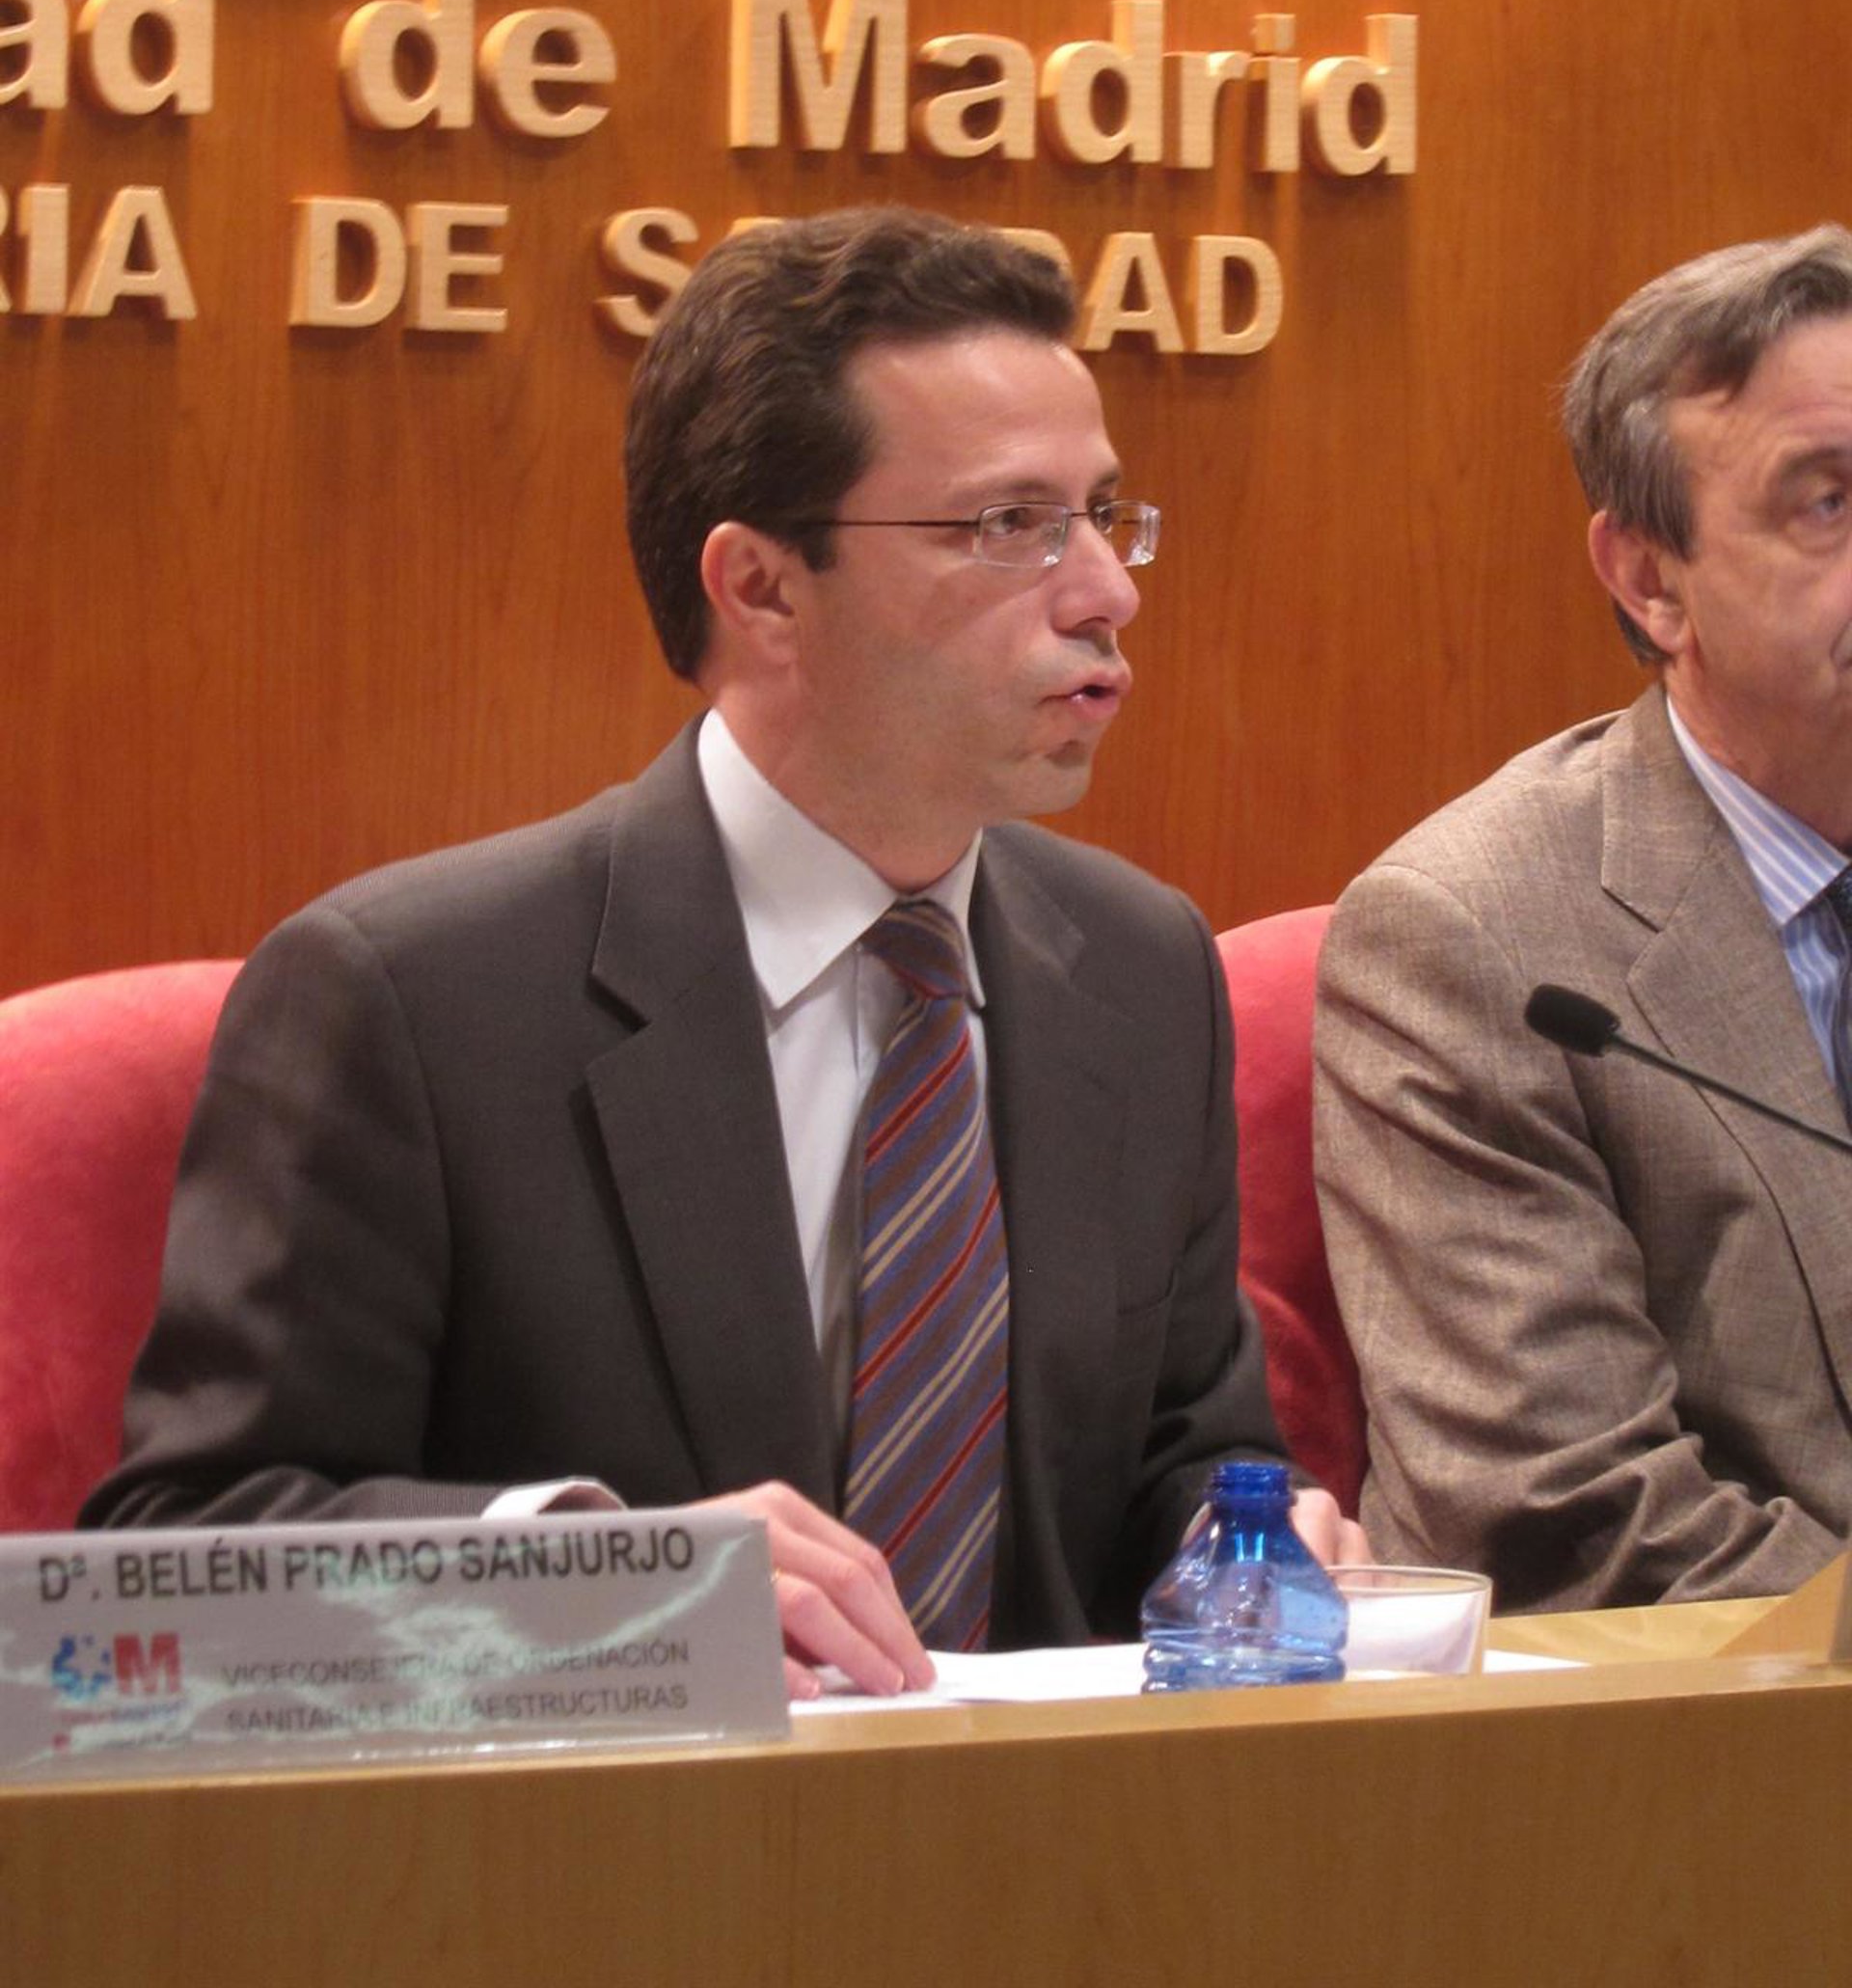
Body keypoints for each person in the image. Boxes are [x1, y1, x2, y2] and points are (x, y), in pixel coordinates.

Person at [89, 204, 1358, 1695]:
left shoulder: (1138, 971)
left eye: (1101, 513)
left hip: (1055, 1830)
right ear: (761, 588)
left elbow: (1178, 1458)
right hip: (606, 1828)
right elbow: (184, 1562)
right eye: (1010, 525)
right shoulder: (411, 1000)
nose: (1107, 591)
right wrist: (611, 1590)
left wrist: (1248, 1540)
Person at [1315, 224, 1852, 1611]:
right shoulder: (1476, 938)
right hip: (1729, 1721)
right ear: (1650, 579)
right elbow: (1572, 1516)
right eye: (1828, 501)